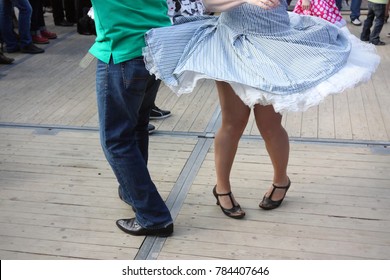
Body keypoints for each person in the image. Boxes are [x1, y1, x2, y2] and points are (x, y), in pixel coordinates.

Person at [143, 0, 380, 218]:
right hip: (232, 44)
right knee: (232, 123)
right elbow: (204, 3)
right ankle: (222, 188)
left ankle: (281, 181)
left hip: (274, 44)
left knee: (270, 125)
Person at [88, 0, 174, 236]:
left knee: (116, 140)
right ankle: (132, 192)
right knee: (136, 128)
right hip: (154, 49)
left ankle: (153, 216)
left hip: (123, 52)